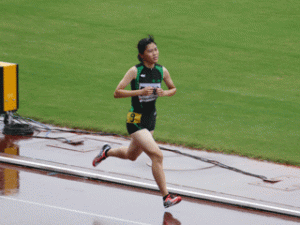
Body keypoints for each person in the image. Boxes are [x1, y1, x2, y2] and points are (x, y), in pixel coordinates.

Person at [92, 35, 181, 208]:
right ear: (142, 55)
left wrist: (165, 93)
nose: (155, 53)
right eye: (150, 51)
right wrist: (139, 93)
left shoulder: (162, 71)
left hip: (150, 120)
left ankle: (106, 152)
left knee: (131, 155)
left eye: (156, 49)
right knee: (157, 155)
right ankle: (166, 197)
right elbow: (117, 92)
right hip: (135, 120)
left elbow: (173, 88)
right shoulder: (135, 71)